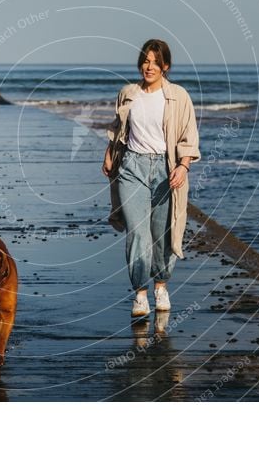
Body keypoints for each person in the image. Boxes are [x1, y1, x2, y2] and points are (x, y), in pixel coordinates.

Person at [103, 39, 200, 317]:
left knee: (163, 233)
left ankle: (160, 286)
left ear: (165, 66)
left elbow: (188, 135)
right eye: (146, 60)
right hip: (131, 167)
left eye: (156, 62)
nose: (149, 66)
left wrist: (183, 166)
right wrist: (109, 153)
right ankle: (140, 295)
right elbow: (117, 128)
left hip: (164, 169)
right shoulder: (128, 93)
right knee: (137, 233)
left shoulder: (178, 96)